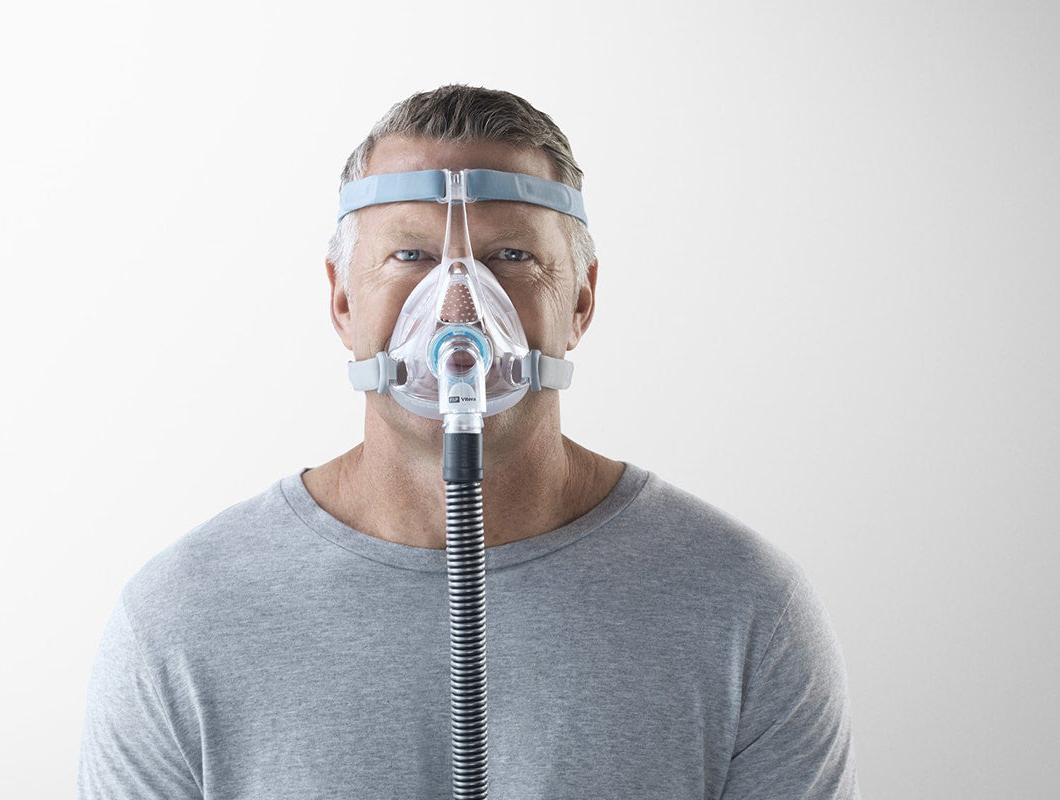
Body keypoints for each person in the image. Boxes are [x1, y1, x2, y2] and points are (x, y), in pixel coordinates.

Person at [77, 84, 862, 799]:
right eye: (411, 256)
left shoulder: (740, 608)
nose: (457, 306)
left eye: (510, 257)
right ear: (343, 301)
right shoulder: (184, 620)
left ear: (580, 303)